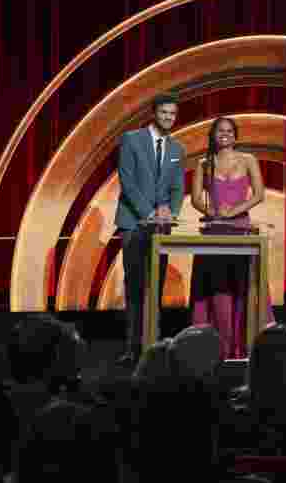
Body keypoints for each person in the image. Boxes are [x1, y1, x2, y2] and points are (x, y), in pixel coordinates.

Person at [114, 93, 185, 368]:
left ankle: (152, 347)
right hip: (134, 223)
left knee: (155, 286)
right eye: (164, 113)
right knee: (134, 287)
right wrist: (150, 213)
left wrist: (172, 211)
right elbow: (127, 181)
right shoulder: (132, 139)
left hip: (161, 227)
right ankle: (131, 349)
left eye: (172, 114)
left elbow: (178, 188)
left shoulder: (177, 148)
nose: (168, 118)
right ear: (154, 113)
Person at [190, 116, 271, 359]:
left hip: (242, 229)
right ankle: (218, 347)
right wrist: (214, 212)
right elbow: (195, 199)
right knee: (218, 289)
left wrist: (233, 212)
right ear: (213, 136)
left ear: (235, 135)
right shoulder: (204, 163)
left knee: (244, 286)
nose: (224, 134)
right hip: (215, 230)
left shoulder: (248, 160)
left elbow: (259, 195)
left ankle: (247, 347)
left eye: (229, 131)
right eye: (220, 131)